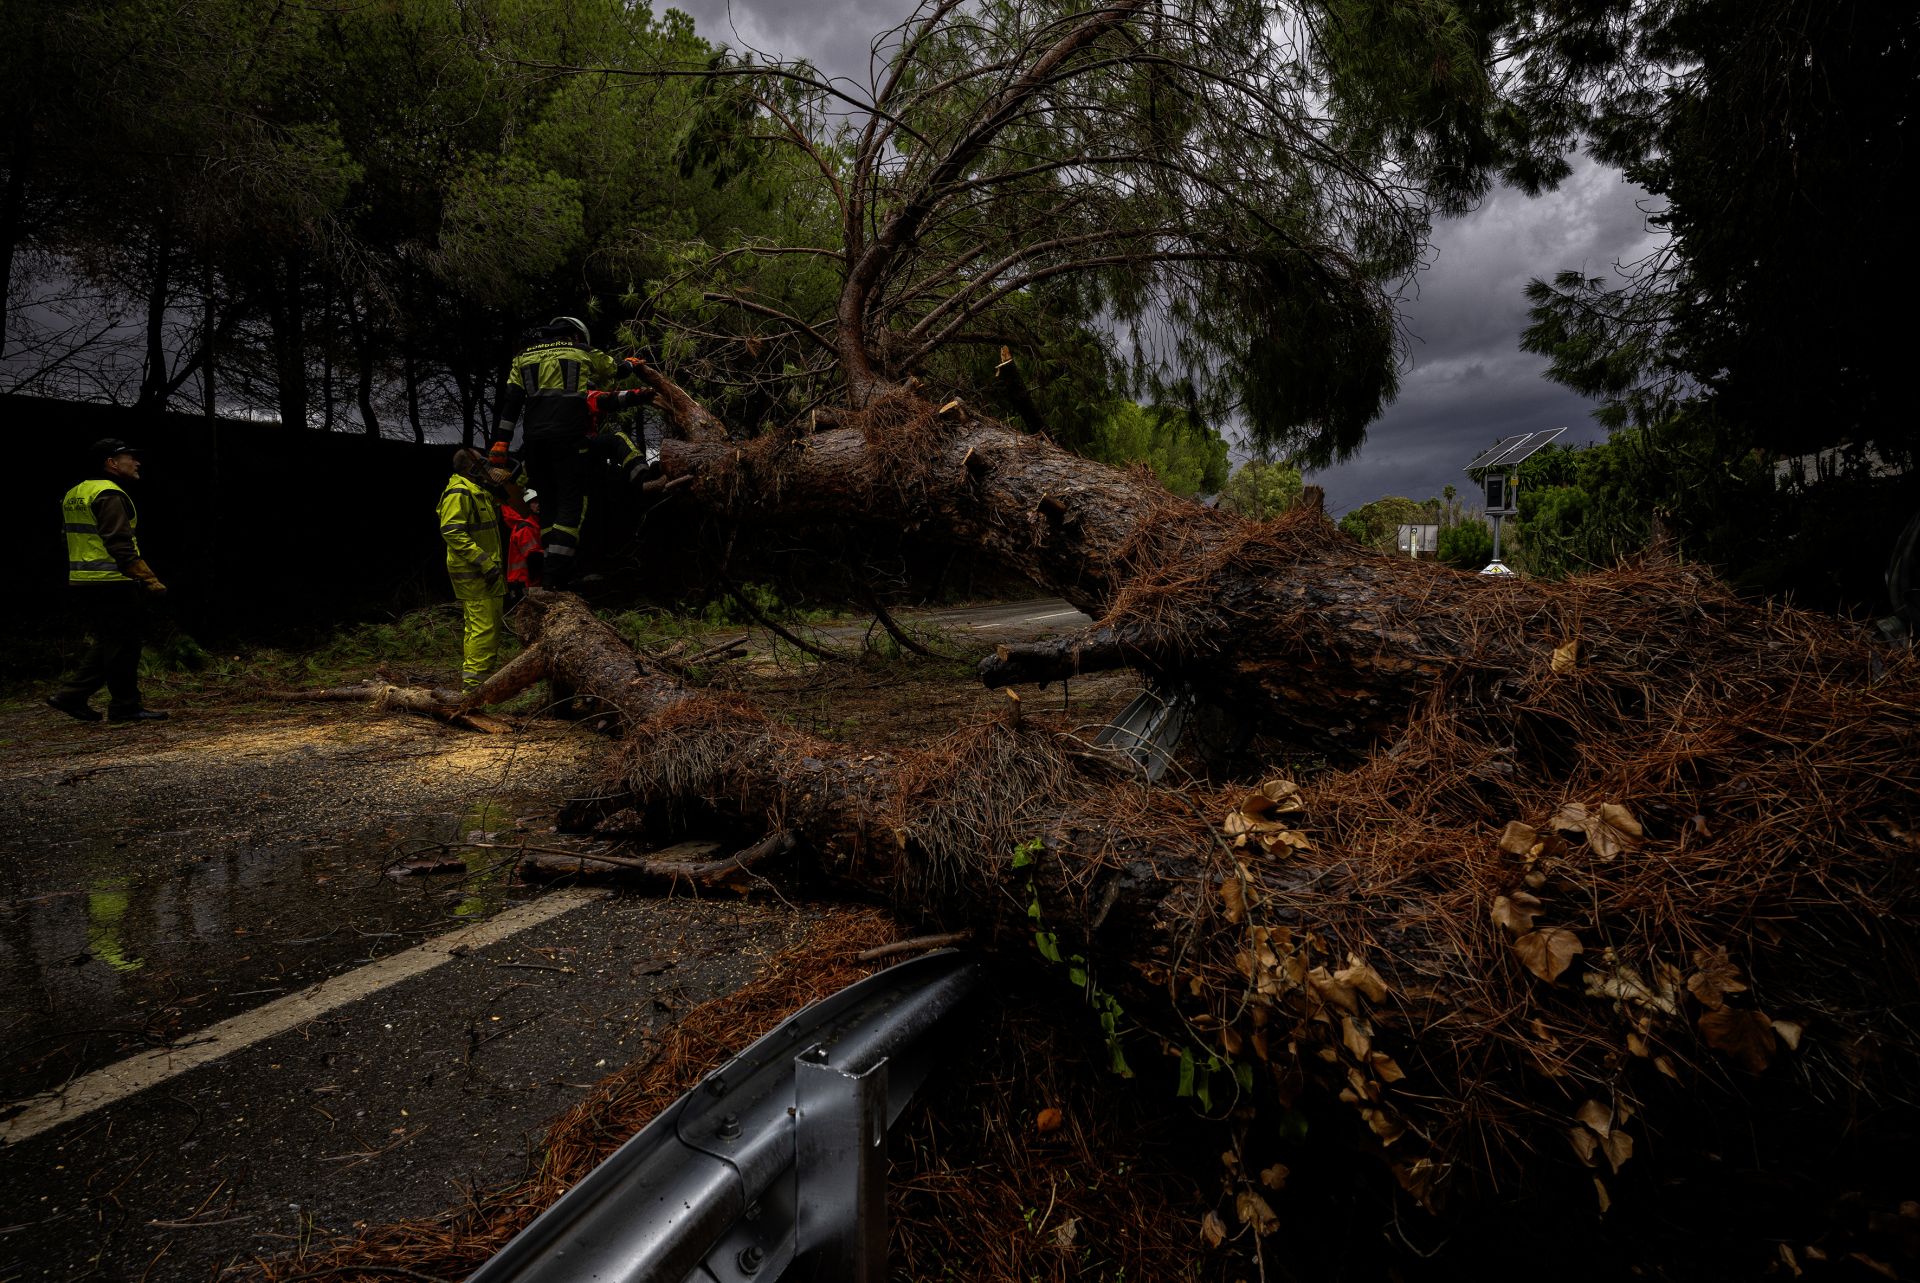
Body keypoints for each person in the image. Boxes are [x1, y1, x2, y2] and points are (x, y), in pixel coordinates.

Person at [488, 315, 652, 590]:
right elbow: (611, 374)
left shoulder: (522, 358)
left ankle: (553, 575)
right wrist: (629, 366)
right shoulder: (581, 352)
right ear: (576, 336)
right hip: (570, 443)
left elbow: (511, 404)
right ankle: (554, 579)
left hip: (535, 446)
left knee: (550, 509)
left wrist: (500, 443)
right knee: (570, 509)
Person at [47, 438, 169, 723]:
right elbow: (119, 543)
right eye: (129, 457)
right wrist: (148, 578)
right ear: (111, 463)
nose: (137, 462)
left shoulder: (75, 493)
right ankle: (125, 707)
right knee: (124, 645)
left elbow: (67, 538)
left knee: (111, 641)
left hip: (83, 578)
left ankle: (72, 696)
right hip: (112, 579)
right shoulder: (109, 494)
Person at [438, 447, 509, 691]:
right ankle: (473, 690)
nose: (487, 468)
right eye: (483, 464)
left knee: (481, 627)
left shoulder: (477, 491)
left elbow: (507, 503)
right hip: (476, 573)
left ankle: (478, 684)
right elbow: (452, 531)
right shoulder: (459, 492)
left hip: (485, 573)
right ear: (472, 467)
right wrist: (484, 562)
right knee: (483, 629)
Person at [501, 486, 543, 609]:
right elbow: (534, 558)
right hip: (524, 583)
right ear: (527, 505)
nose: (538, 505)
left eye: (538, 501)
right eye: (534, 502)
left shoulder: (532, 524)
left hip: (523, 582)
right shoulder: (525, 527)